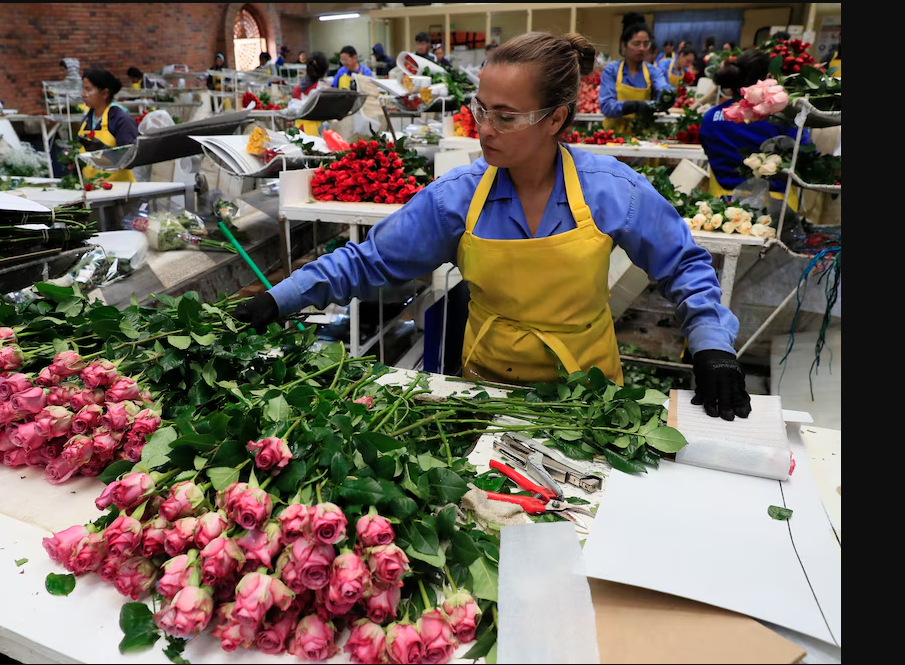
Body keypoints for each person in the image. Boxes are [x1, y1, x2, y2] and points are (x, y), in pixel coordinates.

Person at [234, 31, 750, 421]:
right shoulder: (457, 198)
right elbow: (371, 260)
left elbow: (683, 263)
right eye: (481, 109)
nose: (483, 129)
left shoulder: (611, 190)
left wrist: (711, 344)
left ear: (555, 119)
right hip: (484, 395)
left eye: (505, 117)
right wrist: (279, 298)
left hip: (589, 398)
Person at [698, 48, 809, 210]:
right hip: (775, 209)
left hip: (722, 209)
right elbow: (804, 154)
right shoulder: (782, 117)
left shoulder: (710, 118)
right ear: (767, 79)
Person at [599, 13, 674, 137]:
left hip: (642, 136)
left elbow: (662, 87)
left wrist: (668, 95)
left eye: (646, 44)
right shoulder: (611, 71)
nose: (642, 49)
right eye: (636, 44)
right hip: (613, 137)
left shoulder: (653, 72)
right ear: (624, 45)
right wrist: (633, 106)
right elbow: (607, 106)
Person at [77, 67, 138, 183]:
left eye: (88, 89)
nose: (83, 94)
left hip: (120, 191)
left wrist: (103, 150)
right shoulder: (86, 120)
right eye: (83, 89)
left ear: (105, 93)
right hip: (92, 189)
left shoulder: (121, 119)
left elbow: (131, 159)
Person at [291, 51, 331, 136]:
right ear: (325, 71)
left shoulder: (297, 89)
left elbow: (293, 111)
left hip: (299, 132)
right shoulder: (325, 90)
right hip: (319, 134)